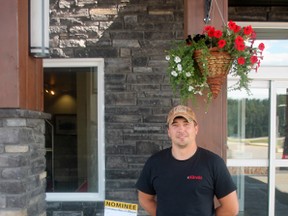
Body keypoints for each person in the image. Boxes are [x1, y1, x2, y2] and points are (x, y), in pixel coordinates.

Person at [136, 105, 239, 216]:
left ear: (196, 129)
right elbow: (145, 199)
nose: (181, 130)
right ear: (169, 131)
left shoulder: (213, 163)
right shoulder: (154, 163)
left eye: (186, 124)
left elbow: (231, 208)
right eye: (175, 125)